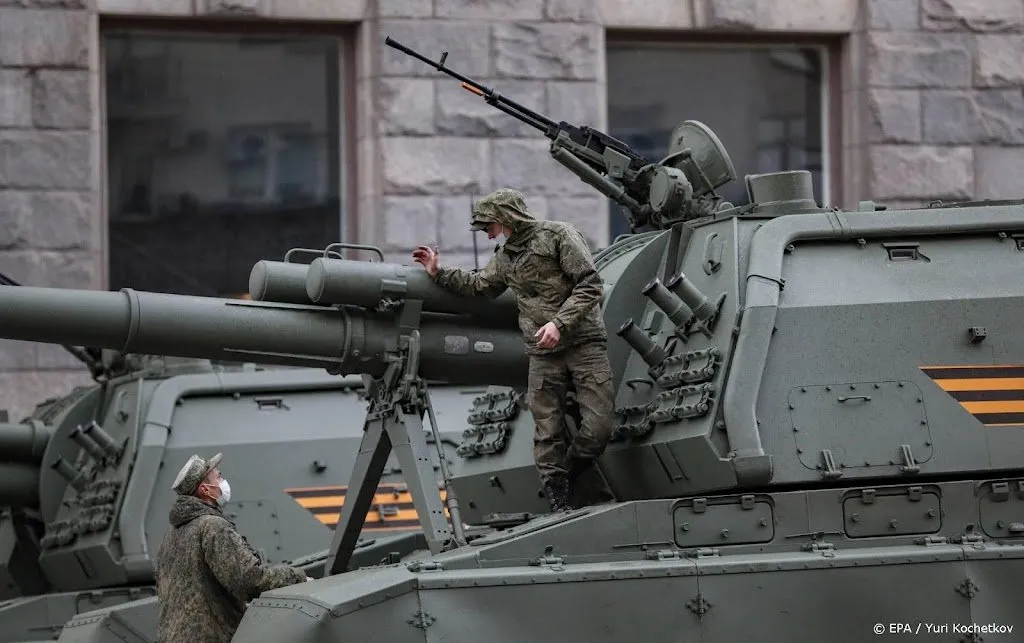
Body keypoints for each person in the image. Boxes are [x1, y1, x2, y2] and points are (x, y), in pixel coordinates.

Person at [412, 187, 615, 512]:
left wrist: (559, 323)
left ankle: (575, 470)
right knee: (546, 431)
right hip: (543, 353)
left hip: (583, 343)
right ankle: (559, 501)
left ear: (507, 217)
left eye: (489, 225)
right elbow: (479, 286)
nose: (488, 234)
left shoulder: (558, 235)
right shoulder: (506, 258)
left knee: (598, 427)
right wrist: (438, 272)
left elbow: (591, 284)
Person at [155, 452, 311, 642]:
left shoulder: (170, 536)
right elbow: (250, 581)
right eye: (218, 477)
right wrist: (298, 577)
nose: (223, 481)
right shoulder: (212, 527)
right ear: (205, 489)